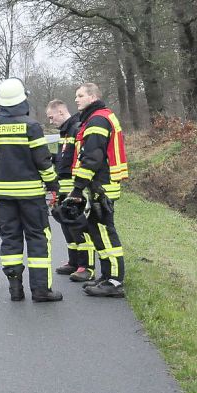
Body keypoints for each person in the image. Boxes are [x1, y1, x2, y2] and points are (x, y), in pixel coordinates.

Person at [0, 78, 62, 302]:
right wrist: (53, 184)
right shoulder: (32, 126)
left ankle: (15, 290)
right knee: (37, 239)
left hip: (5, 196)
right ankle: (40, 291)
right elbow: (43, 160)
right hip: (31, 197)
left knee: (10, 240)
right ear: (22, 100)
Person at [68, 83, 128, 298]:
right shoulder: (97, 118)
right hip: (100, 185)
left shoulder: (97, 120)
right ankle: (106, 276)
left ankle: (114, 280)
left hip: (101, 186)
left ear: (93, 97)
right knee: (96, 228)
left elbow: (92, 158)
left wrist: (77, 189)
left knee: (104, 230)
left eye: (81, 95)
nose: (77, 99)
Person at [45, 100, 94, 282]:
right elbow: (65, 157)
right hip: (63, 184)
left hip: (74, 185)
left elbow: (79, 157)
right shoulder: (65, 132)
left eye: (51, 117)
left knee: (79, 225)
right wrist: (52, 158)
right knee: (66, 224)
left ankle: (86, 266)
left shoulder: (76, 128)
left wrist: (78, 189)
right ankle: (74, 261)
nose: (51, 122)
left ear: (60, 111)